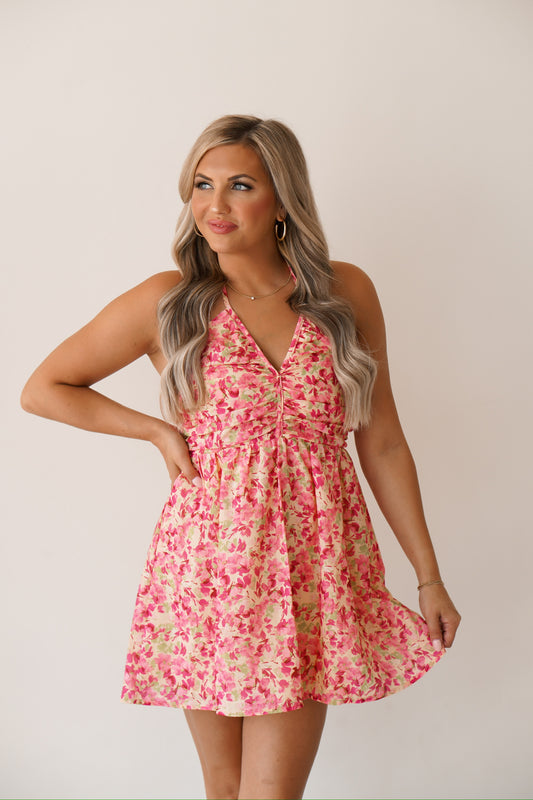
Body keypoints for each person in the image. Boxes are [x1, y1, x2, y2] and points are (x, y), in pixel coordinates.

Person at [21, 114, 461, 800]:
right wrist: (158, 433)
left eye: (239, 185)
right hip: (209, 569)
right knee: (224, 790)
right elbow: (44, 389)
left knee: (268, 795)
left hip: (314, 566)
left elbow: (382, 440)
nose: (213, 205)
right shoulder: (168, 302)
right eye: (201, 184)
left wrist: (427, 575)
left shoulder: (344, 293)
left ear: (282, 200)